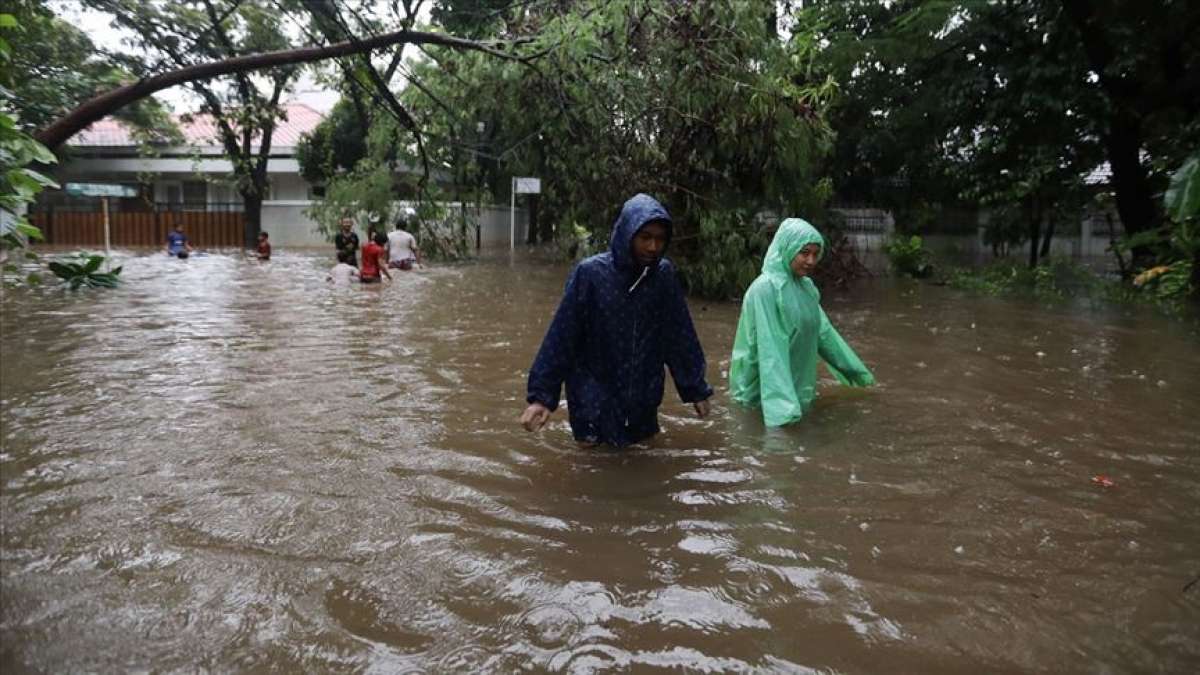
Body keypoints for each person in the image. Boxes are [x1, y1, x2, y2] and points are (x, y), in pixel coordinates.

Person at [521, 193, 712, 447]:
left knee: (641, 465)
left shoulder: (663, 277)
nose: (653, 247)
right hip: (592, 400)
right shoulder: (590, 275)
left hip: (642, 401)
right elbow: (562, 336)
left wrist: (695, 389)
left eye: (659, 239)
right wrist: (541, 398)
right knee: (592, 466)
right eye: (645, 238)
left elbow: (679, 335)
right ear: (627, 235)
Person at [729, 218, 875, 427]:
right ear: (787, 248)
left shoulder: (806, 288)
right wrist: (782, 413)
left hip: (795, 391)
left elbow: (825, 335)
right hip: (759, 396)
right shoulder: (764, 289)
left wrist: (860, 376)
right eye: (804, 253)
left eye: (815, 254)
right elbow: (771, 349)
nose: (811, 261)